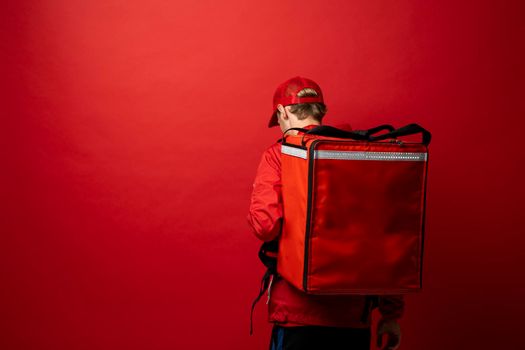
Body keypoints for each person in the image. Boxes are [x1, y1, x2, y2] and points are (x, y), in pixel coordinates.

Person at [246, 77, 405, 350]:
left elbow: (265, 226)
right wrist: (391, 314)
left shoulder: (277, 155)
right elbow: (383, 236)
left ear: (283, 112)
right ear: (322, 110)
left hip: (297, 314)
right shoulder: (358, 154)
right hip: (353, 315)